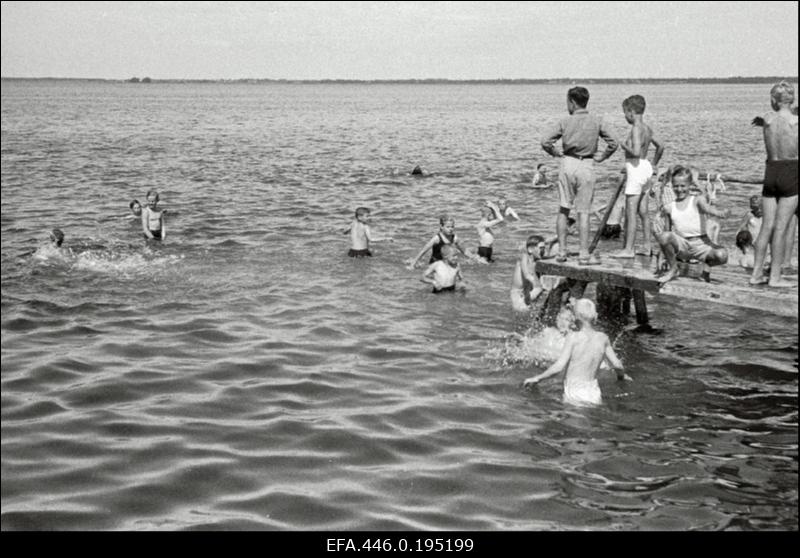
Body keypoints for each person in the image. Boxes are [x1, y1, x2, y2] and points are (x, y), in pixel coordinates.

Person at [541, 86, 619, 265]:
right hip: (587, 164)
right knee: (583, 212)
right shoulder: (597, 121)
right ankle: (584, 254)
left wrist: (555, 153)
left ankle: (562, 251)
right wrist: (604, 156)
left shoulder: (565, 121)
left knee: (563, 209)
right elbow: (614, 142)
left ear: (572, 102)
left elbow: (545, 141)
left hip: (568, 162)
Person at [522, 298, 629, 407]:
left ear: (575, 318)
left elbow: (559, 367)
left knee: (571, 420)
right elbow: (617, 365)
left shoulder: (573, 338)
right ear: (595, 316)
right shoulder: (603, 338)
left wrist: (538, 378)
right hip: (594, 392)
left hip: (575, 391)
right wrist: (621, 378)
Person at [750, 81, 798, 287]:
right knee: (781, 227)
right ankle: (775, 277)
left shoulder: (768, 120)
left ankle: (756, 274)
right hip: (791, 171)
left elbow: (767, 119)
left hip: (771, 171)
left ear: (773, 100)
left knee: (766, 227)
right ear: (793, 99)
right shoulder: (796, 121)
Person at [609, 95, 665, 259]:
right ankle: (647, 246)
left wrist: (622, 144)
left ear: (631, 112)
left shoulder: (635, 128)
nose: (625, 117)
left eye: (625, 113)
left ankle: (628, 249)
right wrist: (653, 164)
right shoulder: (647, 128)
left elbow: (635, 152)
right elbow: (661, 146)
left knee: (631, 212)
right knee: (643, 211)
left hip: (636, 167)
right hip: (645, 167)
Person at [655, 166, 730, 283]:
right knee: (664, 236)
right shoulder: (669, 207)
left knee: (722, 255)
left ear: (690, 185)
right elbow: (666, 234)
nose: (679, 189)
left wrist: (719, 213)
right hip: (682, 245)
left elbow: (707, 208)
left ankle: (705, 271)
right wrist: (661, 258)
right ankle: (674, 269)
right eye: (676, 186)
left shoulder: (697, 200)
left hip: (701, 244)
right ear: (672, 185)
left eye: (683, 186)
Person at [406, 215, 478, 269]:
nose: (450, 229)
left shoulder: (454, 238)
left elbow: (464, 251)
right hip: (435, 263)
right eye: (448, 227)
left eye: (452, 227)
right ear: (441, 226)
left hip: (447, 263)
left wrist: (475, 258)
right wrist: (413, 264)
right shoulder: (437, 238)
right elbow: (423, 251)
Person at [510, 234, 547, 311]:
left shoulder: (536, 261)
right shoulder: (524, 257)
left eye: (544, 249)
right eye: (541, 248)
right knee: (539, 288)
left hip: (528, 292)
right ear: (530, 249)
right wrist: (536, 285)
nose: (543, 251)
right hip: (518, 294)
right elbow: (527, 275)